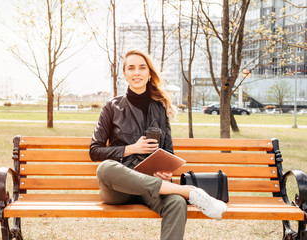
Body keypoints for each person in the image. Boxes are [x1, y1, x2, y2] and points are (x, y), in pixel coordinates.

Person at [89, 49, 227, 240]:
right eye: (131, 68)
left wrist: (166, 171)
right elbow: (95, 151)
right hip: (119, 189)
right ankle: (188, 192)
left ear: (149, 73)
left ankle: (181, 194)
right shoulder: (112, 106)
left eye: (141, 68)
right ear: (125, 73)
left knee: (177, 203)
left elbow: (168, 151)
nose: (136, 72)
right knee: (105, 168)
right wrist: (132, 149)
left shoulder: (160, 108)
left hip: (152, 186)